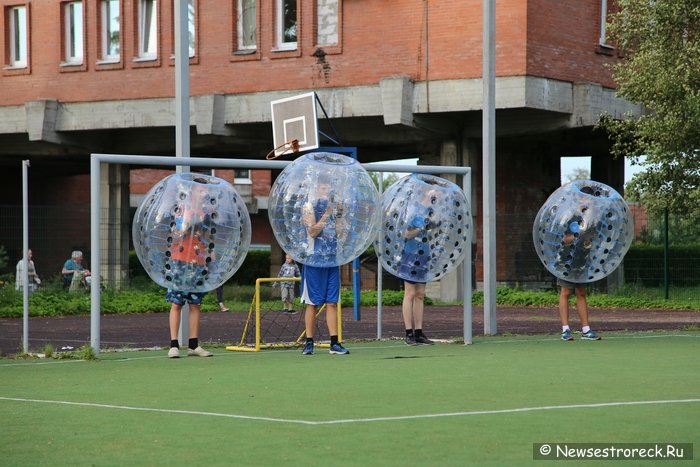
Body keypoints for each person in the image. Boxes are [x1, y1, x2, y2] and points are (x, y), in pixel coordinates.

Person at [299, 180, 350, 355]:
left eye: (328, 188)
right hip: (314, 260)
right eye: (323, 187)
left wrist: (340, 215)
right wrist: (327, 214)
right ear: (315, 188)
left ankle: (334, 343)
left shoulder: (333, 209)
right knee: (312, 303)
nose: (326, 190)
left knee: (332, 303)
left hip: (331, 260)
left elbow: (341, 234)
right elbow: (312, 232)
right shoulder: (308, 206)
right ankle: (309, 342)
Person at [166, 179, 214, 358]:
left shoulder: (205, 214)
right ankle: (174, 345)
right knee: (176, 303)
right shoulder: (181, 210)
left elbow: (207, 237)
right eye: (202, 191)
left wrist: (209, 254)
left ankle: (194, 345)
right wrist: (185, 223)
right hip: (179, 260)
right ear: (193, 192)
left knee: (196, 304)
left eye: (206, 192)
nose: (205, 195)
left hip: (198, 262)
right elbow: (175, 235)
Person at [558, 186, 601, 342]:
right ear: (581, 198)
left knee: (581, 292)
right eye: (586, 198)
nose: (589, 201)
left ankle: (586, 329)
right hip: (567, 260)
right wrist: (579, 234)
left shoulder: (592, 220)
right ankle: (565, 330)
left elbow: (592, 239)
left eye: (591, 199)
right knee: (566, 292)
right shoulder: (571, 217)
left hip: (583, 260)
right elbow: (564, 239)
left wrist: (589, 236)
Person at [399, 187, 438, 345]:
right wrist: (420, 228)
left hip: (423, 254)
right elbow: (406, 234)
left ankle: (419, 332)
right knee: (410, 293)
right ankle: (409, 333)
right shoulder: (412, 209)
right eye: (431, 193)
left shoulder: (430, 211)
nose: (434, 195)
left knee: (420, 293)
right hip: (410, 254)